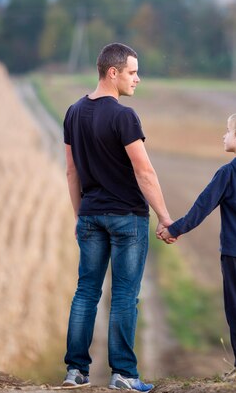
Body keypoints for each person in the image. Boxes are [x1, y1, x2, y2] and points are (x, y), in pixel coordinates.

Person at [62, 43, 172, 392]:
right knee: (125, 295)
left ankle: (75, 372)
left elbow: (71, 172)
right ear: (113, 73)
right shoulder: (124, 116)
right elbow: (145, 172)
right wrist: (165, 218)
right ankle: (123, 374)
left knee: (86, 292)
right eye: (132, 72)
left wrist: (82, 216)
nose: (137, 79)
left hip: (91, 215)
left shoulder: (73, 112)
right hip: (127, 217)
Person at [158, 112, 236, 378]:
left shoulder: (228, 173)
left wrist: (174, 229)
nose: (222, 135)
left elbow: (202, 207)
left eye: (226, 130)